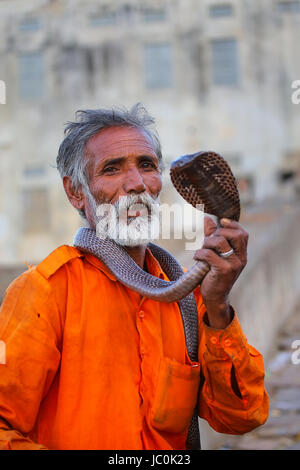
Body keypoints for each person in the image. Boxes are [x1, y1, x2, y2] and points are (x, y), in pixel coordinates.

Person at [0, 103, 268, 450]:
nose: (136, 184)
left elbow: (242, 417)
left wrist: (217, 307)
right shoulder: (46, 291)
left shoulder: (185, 296)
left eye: (147, 166)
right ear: (76, 193)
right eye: (112, 169)